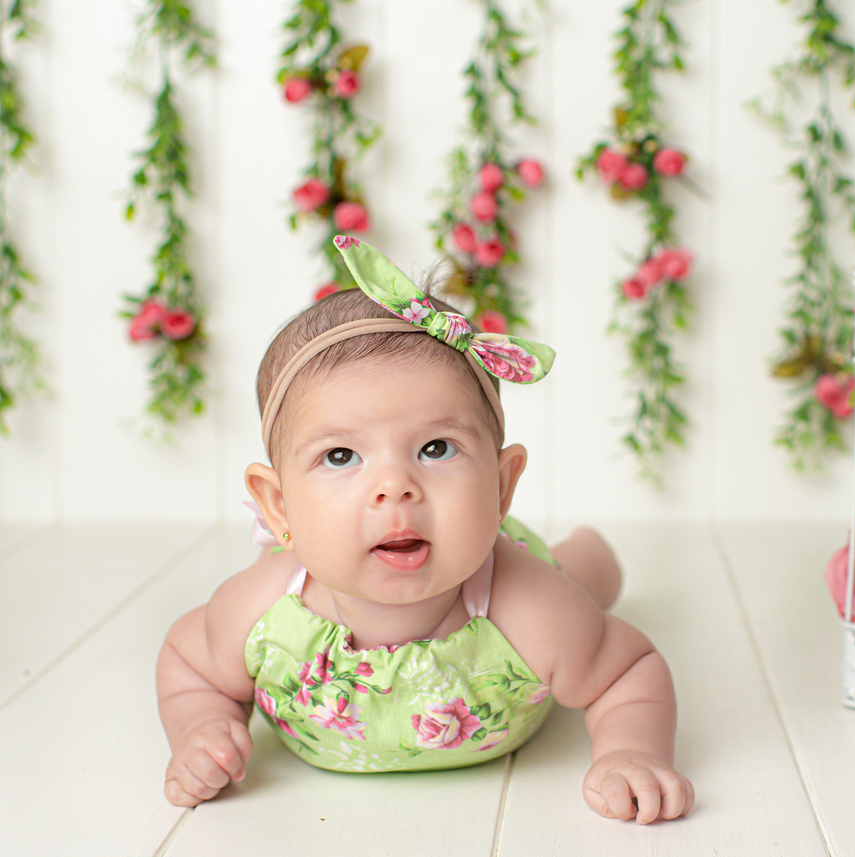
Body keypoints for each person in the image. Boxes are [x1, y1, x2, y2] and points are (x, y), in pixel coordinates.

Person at [156, 236, 693, 825]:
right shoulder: (258, 612)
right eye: (340, 456)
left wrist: (630, 752)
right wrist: (204, 725)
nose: (396, 487)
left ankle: (591, 553)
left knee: (579, 580)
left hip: (511, 563)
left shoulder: (536, 610)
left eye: (436, 448)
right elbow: (188, 664)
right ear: (277, 506)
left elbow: (627, 671)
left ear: (501, 485)